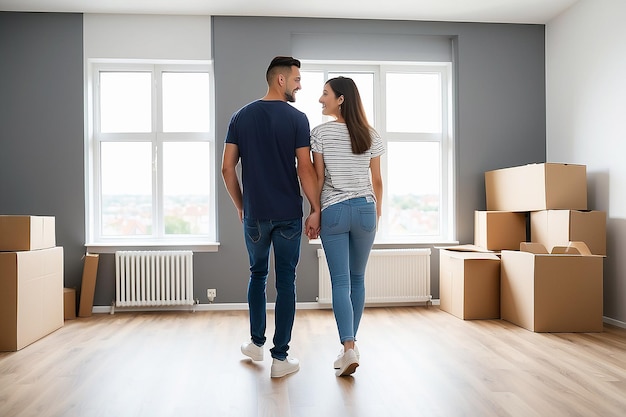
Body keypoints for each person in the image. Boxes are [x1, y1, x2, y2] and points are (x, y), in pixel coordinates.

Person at [221, 56, 320, 378]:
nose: (300, 85)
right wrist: (315, 208)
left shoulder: (241, 117)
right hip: (288, 215)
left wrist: (241, 205)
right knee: (286, 281)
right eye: (296, 80)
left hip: (256, 214)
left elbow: (227, 168)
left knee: (257, 275)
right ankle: (280, 358)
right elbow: (305, 168)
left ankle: (255, 343)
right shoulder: (297, 119)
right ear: (280, 80)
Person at [310, 76, 384, 377]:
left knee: (340, 282)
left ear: (341, 99)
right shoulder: (371, 134)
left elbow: (317, 178)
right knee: (357, 279)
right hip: (367, 209)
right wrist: (375, 214)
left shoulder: (320, 133)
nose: (320, 99)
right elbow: (377, 181)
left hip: (335, 211)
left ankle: (349, 346)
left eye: (325, 94)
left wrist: (314, 212)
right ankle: (349, 348)